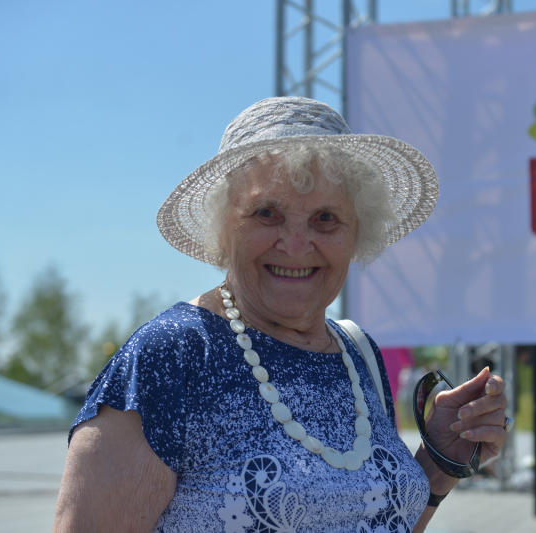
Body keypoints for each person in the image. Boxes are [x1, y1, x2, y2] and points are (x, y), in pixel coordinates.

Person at [54, 96, 511, 533]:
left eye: (326, 218)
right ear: (224, 227)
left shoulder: (357, 354)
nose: (296, 244)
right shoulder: (173, 355)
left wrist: (437, 466)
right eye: (267, 213)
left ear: (357, 233)